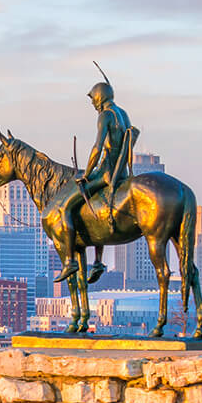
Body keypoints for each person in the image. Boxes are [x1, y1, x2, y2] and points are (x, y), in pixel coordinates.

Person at [54, 79, 137, 283]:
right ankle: (98, 261)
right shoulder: (123, 114)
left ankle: (70, 261)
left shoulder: (105, 116)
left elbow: (97, 148)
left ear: (99, 97)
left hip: (106, 172)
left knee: (65, 208)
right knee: (95, 208)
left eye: (93, 100)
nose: (93, 104)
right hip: (122, 173)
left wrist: (86, 173)